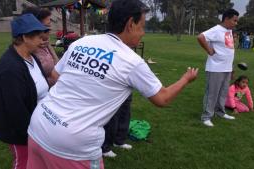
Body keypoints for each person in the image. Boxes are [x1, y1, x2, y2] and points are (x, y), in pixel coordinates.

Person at [26, 0, 198, 168]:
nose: (143, 32)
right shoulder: (131, 61)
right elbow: (162, 98)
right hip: (73, 145)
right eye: (142, 26)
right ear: (131, 24)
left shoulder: (82, 42)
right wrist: (185, 79)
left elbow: (56, 74)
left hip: (39, 124)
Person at [0, 14, 49, 169]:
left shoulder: (32, 57)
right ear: (24, 37)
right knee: (23, 162)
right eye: (37, 36)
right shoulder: (10, 69)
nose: (42, 39)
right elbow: (15, 111)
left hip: (37, 125)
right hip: (19, 131)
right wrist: (32, 134)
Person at [197, 9, 239, 127]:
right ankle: (206, 117)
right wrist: (209, 50)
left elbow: (229, 50)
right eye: (234, 20)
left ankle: (220, 112)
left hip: (227, 68)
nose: (236, 23)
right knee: (212, 93)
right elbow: (200, 37)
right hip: (215, 68)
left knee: (223, 93)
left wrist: (232, 68)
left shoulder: (229, 31)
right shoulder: (216, 30)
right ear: (226, 19)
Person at [22, 7, 59, 86]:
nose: (49, 29)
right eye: (46, 27)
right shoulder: (29, 49)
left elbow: (56, 63)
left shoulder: (45, 42)